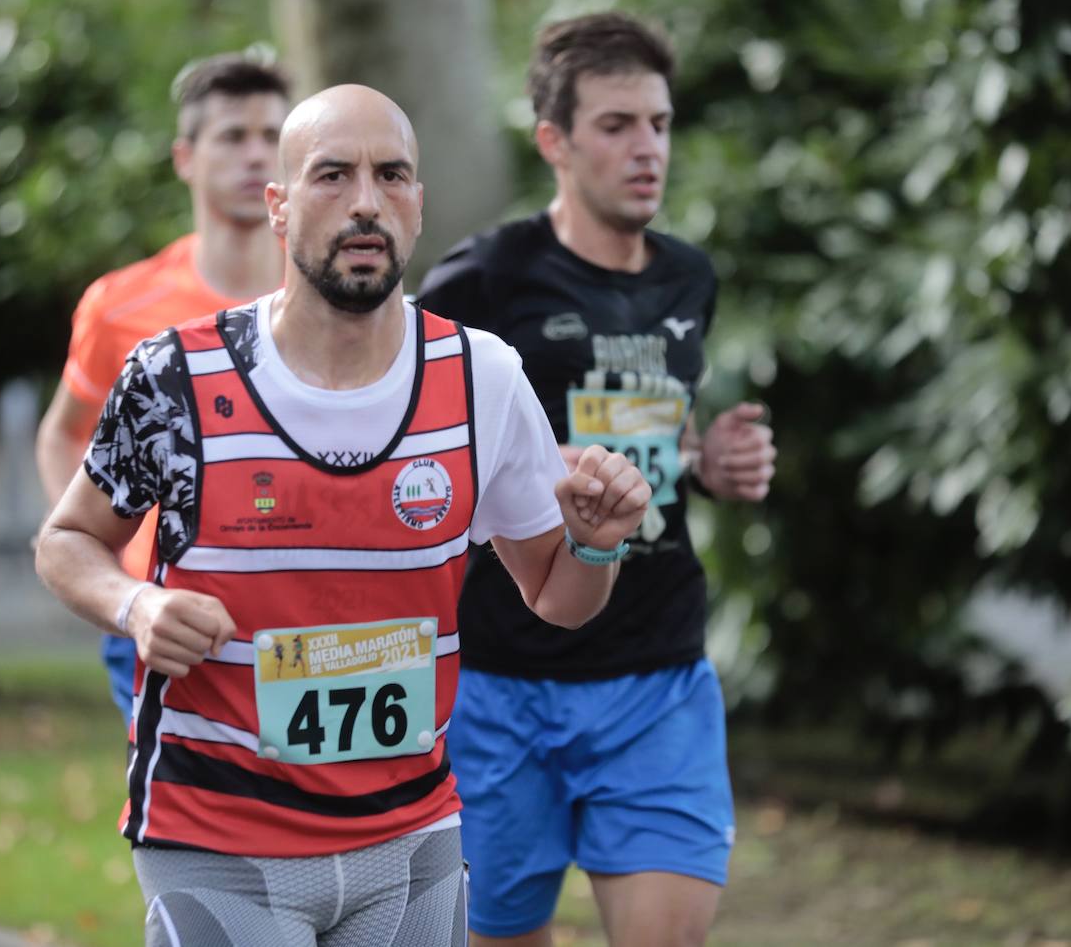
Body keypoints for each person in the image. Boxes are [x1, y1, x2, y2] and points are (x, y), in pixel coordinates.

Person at [35, 84, 653, 946]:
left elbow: (557, 594)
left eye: (391, 174)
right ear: (280, 209)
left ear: (418, 202)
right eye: (333, 176)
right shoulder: (172, 376)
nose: (366, 201)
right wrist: (137, 606)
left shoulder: (483, 378)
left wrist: (593, 547)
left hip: (409, 837)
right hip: (221, 835)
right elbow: (67, 540)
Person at [418, 12, 778, 947]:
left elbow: (660, 425)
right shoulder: (484, 279)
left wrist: (709, 463)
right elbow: (408, 430)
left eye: (659, 123)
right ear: (555, 141)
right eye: (617, 125)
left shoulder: (689, 280)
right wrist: (534, 474)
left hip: (657, 674)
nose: (647, 147)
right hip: (503, 679)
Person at [35, 52, 290, 723]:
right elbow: (64, 431)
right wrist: (105, 573)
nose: (256, 155)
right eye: (234, 136)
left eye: (273, 137)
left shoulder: (339, 299)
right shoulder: (120, 305)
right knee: (187, 823)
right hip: (166, 619)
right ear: (185, 157)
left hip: (306, 610)